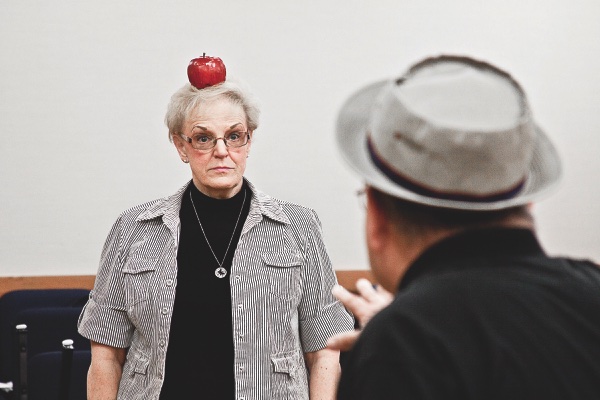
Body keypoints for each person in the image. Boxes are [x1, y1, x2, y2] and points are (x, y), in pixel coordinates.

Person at [327, 54, 600, 399]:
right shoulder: (592, 295)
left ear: (377, 214)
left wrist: (397, 334)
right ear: (525, 201)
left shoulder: (403, 346)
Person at [77, 62, 354, 399]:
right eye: (203, 138)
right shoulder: (132, 229)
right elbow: (107, 355)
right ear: (180, 145)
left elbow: (324, 350)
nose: (222, 151)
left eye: (234, 136)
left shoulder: (299, 227)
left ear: (249, 141)